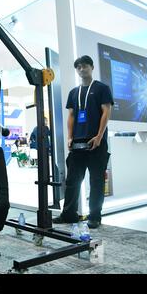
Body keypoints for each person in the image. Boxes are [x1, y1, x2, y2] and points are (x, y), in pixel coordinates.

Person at [53, 55, 113, 229]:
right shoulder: (74, 92)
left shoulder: (102, 88)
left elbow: (106, 111)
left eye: (85, 66)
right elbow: (71, 116)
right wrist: (70, 137)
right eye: (78, 67)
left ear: (92, 67)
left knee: (96, 181)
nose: (81, 69)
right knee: (72, 181)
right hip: (77, 143)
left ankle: (95, 216)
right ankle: (69, 214)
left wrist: (100, 136)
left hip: (96, 142)